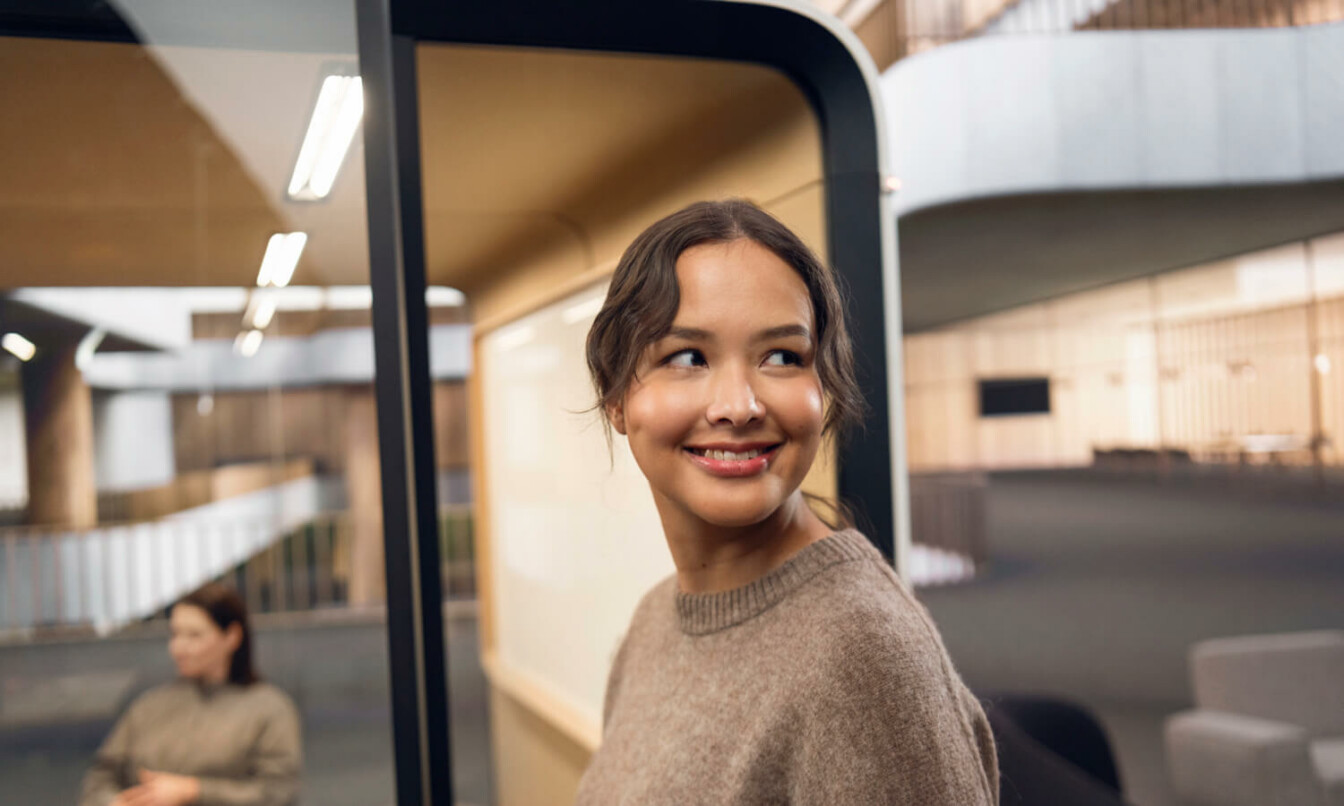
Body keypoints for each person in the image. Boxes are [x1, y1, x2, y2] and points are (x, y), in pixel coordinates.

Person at [575, 199, 999, 804]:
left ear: (822, 388)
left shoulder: (859, 653)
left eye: (782, 357)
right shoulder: (654, 623)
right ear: (615, 398)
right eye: (687, 357)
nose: (739, 405)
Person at [79, 582, 301, 806]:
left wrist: (195, 791)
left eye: (194, 635)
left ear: (232, 637)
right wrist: (113, 802)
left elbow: (277, 793)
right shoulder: (150, 706)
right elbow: (101, 776)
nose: (178, 647)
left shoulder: (268, 709)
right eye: (175, 634)